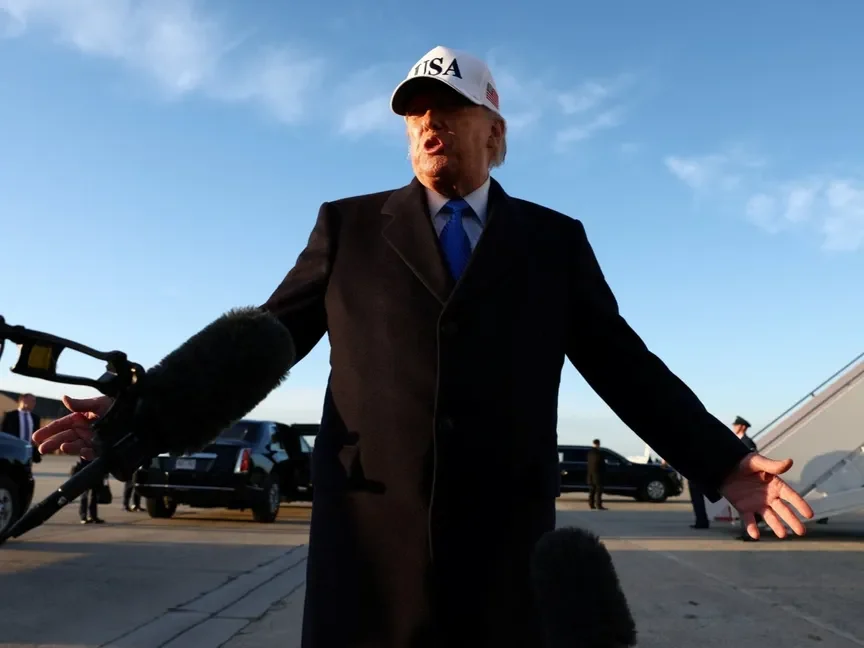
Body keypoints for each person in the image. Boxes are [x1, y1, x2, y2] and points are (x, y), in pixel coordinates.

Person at [34, 45, 814, 648]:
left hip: (504, 541)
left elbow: (622, 363)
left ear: (494, 132)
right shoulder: (348, 227)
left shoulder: (553, 242)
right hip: (371, 540)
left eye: (449, 108)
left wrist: (721, 462)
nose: (428, 124)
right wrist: (139, 415)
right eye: (414, 115)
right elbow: (265, 339)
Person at [1, 392, 42, 462]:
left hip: (28, 453)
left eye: (35, 401)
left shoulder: (35, 418)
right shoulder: (10, 416)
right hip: (12, 454)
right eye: (32, 401)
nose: (34, 403)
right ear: (23, 400)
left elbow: (36, 436)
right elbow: (4, 434)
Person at [71, 457, 104, 524]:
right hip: (85, 471)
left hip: (95, 471)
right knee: (85, 495)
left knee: (93, 495)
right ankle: (84, 517)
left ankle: (93, 516)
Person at [586, 438, 607, 510]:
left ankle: (591, 504)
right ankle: (598, 505)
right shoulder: (599, 453)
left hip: (590, 474)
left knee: (592, 490)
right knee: (599, 491)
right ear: (598, 444)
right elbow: (601, 464)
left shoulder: (589, 453)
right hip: (598, 475)